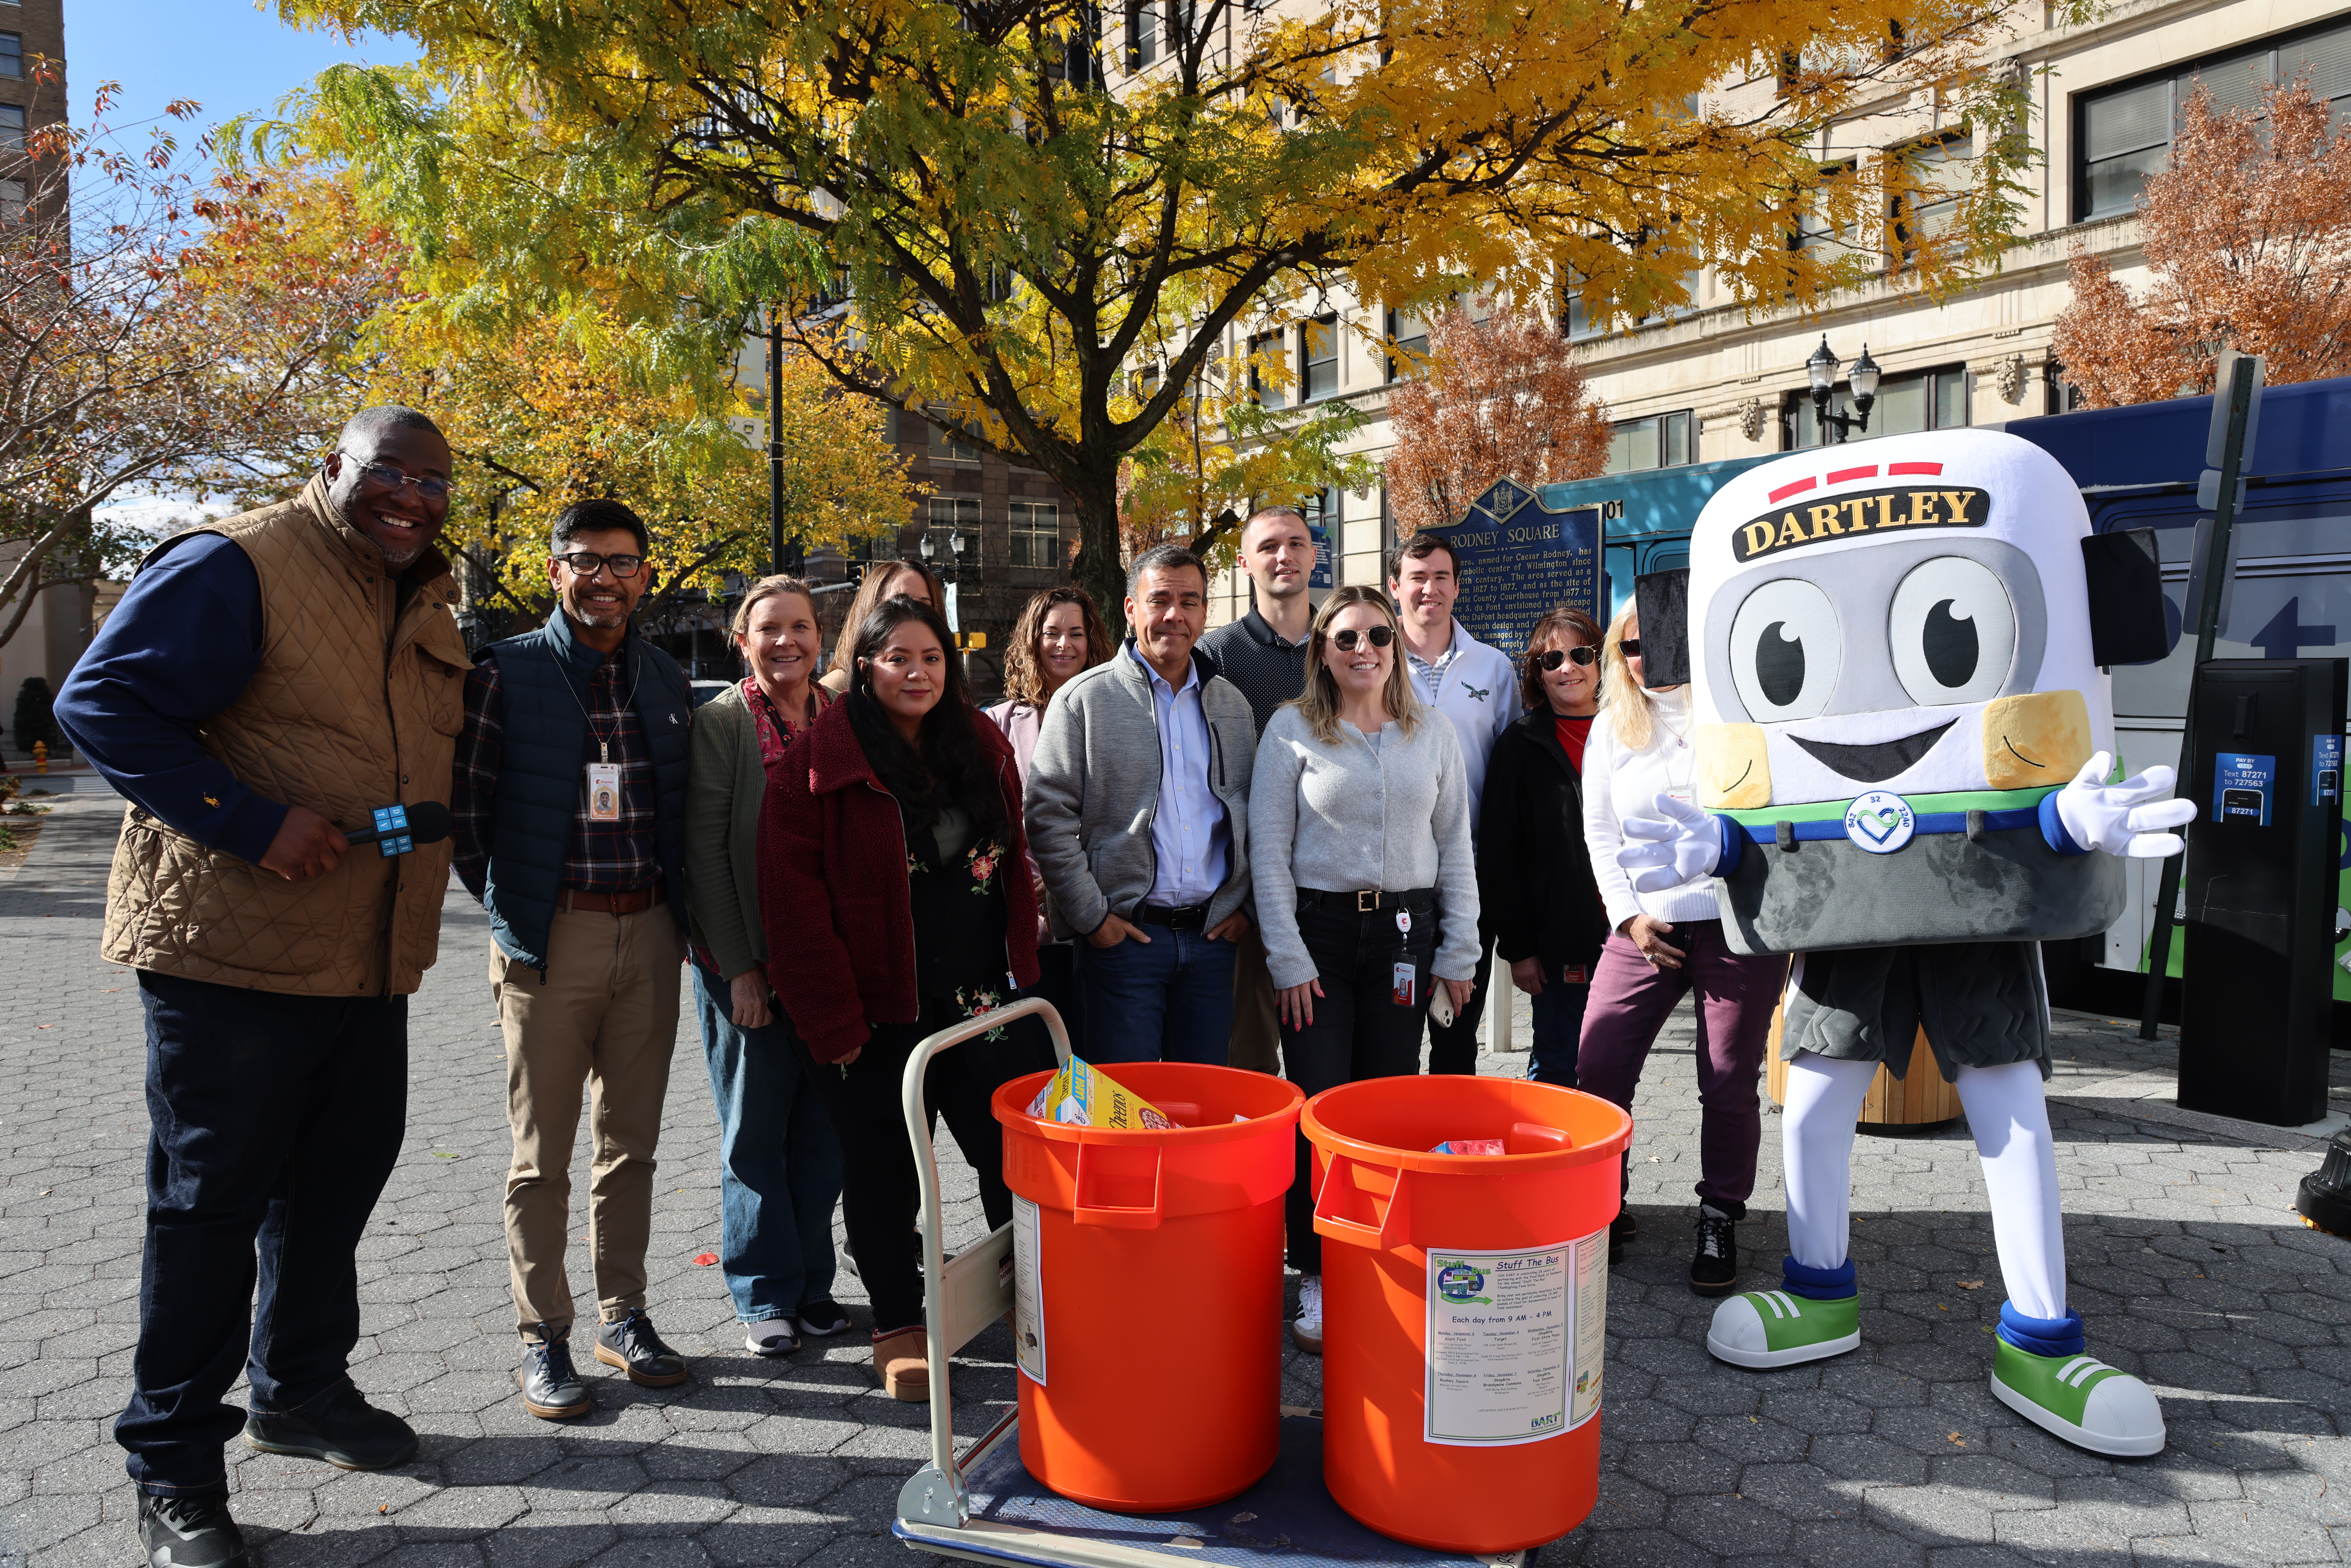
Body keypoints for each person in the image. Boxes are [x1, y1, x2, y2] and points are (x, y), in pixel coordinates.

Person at [54, 405, 465, 1568]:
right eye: (389, 471)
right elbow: (100, 702)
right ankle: (173, 1468)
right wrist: (246, 821)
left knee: (333, 1189)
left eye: (434, 481)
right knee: (210, 1210)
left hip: (364, 957)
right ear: (333, 466)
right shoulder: (234, 563)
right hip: (229, 958)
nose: (412, 495)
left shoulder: (417, 588)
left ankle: (301, 1389)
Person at [759, 595, 1040, 1400]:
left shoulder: (978, 741)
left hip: (982, 1002)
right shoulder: (818, 764)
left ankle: (1028, 1300)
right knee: (882, 1170)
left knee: (1009, 1156)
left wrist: (1023, 963)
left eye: (932, 658)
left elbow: (1011, 861)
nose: (918, 673)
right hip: (875, 1011)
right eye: (898, 659)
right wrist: (834, 1018)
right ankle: (896, 1322)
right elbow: (794, 909)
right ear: (865, 667)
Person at [453, 498, 698, 1420]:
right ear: (555, 571)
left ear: (645, 576)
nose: (605, 578)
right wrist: (518, 915)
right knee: (541, 1156)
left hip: (652, 934)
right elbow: (469, 821)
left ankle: (622, 1315)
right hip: (551, 940)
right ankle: (542, 1334)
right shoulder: (504, 675)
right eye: (586, 561)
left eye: (622, 562)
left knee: (630, 1146)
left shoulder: (665, 678)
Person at [1250, 585, 1479, 1354]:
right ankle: (1316, 1269)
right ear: (1322, 649)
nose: (1364, 650)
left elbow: (1456, 844)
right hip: (1317, 940)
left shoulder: (1431, 731)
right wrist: (1287, 957)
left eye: (1379, 636)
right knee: (1320, 1106)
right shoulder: (1291, 730)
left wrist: (1460, 949)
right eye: (1345, 637)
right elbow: (1268, 854)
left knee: (1386, 1107)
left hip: (1405, 938)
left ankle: (1377, 1258)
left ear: (1396, 647)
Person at [1576, 605, 1781, 1296]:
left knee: (1727, 1079)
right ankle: (1603, 1206)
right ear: (1617, 654)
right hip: (1645, 925)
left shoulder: (1731, 711)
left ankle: (1719, 1214)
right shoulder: (1612, 725)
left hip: (1733, 920)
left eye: (1660, 639)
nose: (1646, 655)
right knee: (1599, 1066)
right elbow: (1600, 833)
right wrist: (1628, 917)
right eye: (1630, 645)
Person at [683, 576, 849, 1359]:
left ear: (822, 637)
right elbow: (705, 851)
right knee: (755, 1136)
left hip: (829, 965)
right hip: (746, 963)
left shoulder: (840, 714)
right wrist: (742, 968)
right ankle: (764, 1294)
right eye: (769, 628)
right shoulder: (723, 721)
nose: (787, 641)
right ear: (742, 639)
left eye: (801, 627)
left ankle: (813, 1285)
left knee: (822, 1134)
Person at [1026, 545, 1256, 1064]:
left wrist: (1246, 908)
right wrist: (1093, 919)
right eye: (1160, 600)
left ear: (1204, 613)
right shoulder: (1083, 700)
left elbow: (1253, 813)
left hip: (1212, 943)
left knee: (1201, 1098)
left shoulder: (1231, 704)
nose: (1175, 614)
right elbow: (1047, 817)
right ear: (1131, 609)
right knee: (1125, 1098)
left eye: (1189, 602)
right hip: (1124, 943)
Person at [1387, 533, 1520, 1074]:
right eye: (1417, 578)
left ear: (1457, 587)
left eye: (1441, 577)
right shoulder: (1371, 661)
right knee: (1392, 1038)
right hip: (1397, 875)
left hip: (1470, 876)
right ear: (1395, 587)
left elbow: (1511, 770)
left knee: (1456, 1033)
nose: (1430, 589)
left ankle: (1450, 1125)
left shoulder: (1493, 668)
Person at [1199, 505, 1318, 1074]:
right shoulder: (1215, 655)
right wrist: (1243, 899)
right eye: (1268, 546)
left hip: (1328, 889)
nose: (1283, 555)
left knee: (1327, 1066)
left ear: (1314, 555)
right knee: (1248, 1065)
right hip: (1246, 894)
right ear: (1244, 562)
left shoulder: (1347, 644)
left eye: (1295, 543)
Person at [1479, 606, 1611, 1088]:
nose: (1567, 668)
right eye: (1552, 660)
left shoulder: (1633, 732)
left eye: (1580, 655)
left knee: (1614, 1069)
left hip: (1634, 934)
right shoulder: (1520, 744)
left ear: (1601, 662)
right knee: (1560, 1065)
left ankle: (1609, 1145)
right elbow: (1499, 854)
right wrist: (1519, 949)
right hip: (1563, 942)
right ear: (1537, 673)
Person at [986, 585, 1113, 1065]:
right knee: (1039, 1062)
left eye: (1076, 633)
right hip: (1029, 922)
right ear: (1032, 641)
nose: (1064, 644)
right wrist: (1025, 880)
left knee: (1098, 1061)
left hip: (1101, 916)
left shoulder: (1115, 715)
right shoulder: (1000, 722)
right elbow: (989, 819)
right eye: (1052, 633)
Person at [818, 556, 947, 696]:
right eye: (898, 604)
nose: (912, 612)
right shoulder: (834, 690)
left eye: (924, 605)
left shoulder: (948, 686)